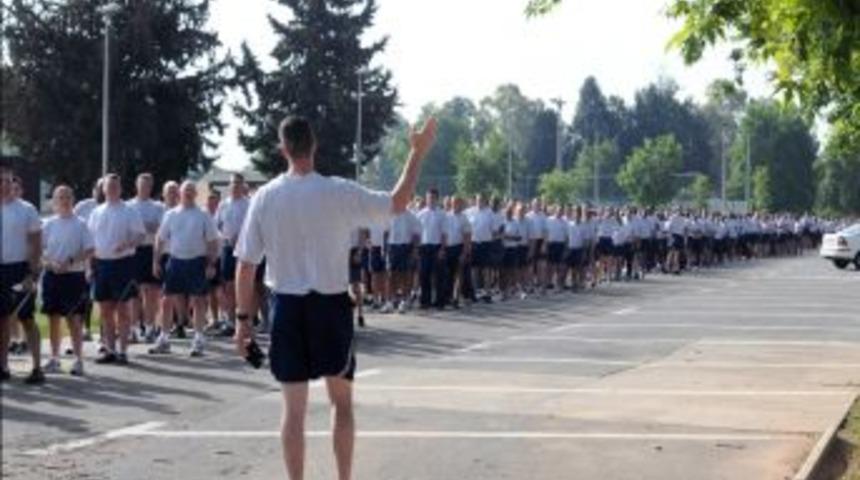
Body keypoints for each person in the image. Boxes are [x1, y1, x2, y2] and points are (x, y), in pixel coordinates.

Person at [234, 115, 437, 480]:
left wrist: (242, 322)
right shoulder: (338, 190)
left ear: (283, 150)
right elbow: (398, 202)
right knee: (341, 402)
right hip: (329, 305)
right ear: (314, 145)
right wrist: (416, 153)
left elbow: (246, 266)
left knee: (293, 410)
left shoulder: (265, 197)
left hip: (287, 306)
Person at [151, 181, 219, 357]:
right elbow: (160, 238)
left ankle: (198, 340)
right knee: (166, 301)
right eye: (185, 191)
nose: (188, 193)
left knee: (198, 301)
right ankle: (164, 339)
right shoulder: (171, 214)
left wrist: (211, 264)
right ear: (179, 194)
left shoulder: (203, 215)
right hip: (175, 262)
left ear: (196, 194)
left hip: (197, 262)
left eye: (191, 191)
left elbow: (212, 241)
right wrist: (156, 261)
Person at [87, 174, 146, 365]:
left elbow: (140, 236)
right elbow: (89, 242)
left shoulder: (129, 210)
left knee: (122, 309)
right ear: (103, 189)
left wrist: (127, 243)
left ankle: (123, 351)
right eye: (108, 186)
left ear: (120, 189)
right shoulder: (96, 212)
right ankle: (110, 349)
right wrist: (89, 267)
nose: (111, 189)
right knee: (105, 310)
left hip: (122, 264)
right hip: (101, 265)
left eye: (115, 186)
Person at [41, 185, 94, 376]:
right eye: (60, 197)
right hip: (52, 277)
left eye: (67, 197)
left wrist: (70, 261)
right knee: (53, 319)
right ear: (54, 201)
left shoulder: (81, 223)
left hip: (74, 277)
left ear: (73, 200)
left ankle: (78, 360)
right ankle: (54, 359)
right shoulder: (47, 224)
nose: (64, 200)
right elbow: (39, 251)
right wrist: (51, 263)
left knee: (75, 320)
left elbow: (90, 249)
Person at [0, 167, 44, 383]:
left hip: (21, 269)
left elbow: (36, 243)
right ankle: (3, 366)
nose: (4, 185)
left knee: (27, 318)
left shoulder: (27, 209)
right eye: (1, 181)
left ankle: (37, 368)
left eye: (8, 181)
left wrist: (32, 273)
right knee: (2, 320)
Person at [126, 173, 165, 344]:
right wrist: (146, 226)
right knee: (134, 293)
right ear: (136, 186)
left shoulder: (158, 207)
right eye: (142, 185)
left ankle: (150, 328)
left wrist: (145, 227)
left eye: (148, 185)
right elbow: (128, 229)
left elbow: (161, 229)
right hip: (133, 252)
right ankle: (133, 329)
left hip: (150, 250)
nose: (145, 188)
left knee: (151, 292)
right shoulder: (128, 206)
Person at [214, 173, 250, 336]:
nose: (234, 186)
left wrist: (241, 237)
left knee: (243, 284)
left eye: (237, 183)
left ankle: (244, 320)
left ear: (243, 185)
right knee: (228, 286)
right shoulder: (223, 205)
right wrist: (226, 237)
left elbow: (253, 227)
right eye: (232, 183)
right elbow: (216, 227)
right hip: (228, 248)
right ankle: (230, 321)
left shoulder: (249, 204)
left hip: (244, 249)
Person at [416, 189, 447, 309]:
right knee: (424, 275)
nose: (430, 200)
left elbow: (444, 234)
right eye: (429, 198)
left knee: (439, 276)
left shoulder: (442, 214)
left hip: (437, 247)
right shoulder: (420, 214)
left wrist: (442, 249)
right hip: (424, 247)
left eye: (433, 198)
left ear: (437, 199)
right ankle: (425, 301)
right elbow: (417, 234)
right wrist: (417, 249)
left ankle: (440, 302)